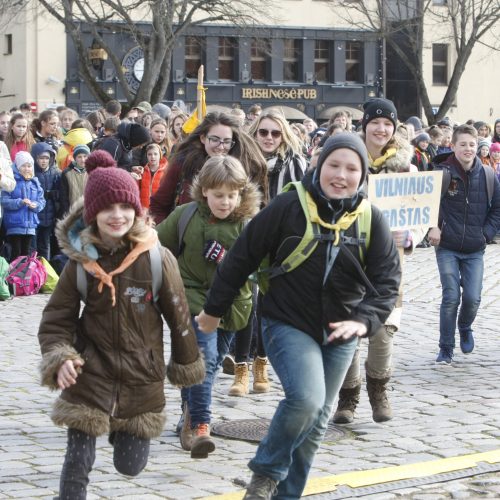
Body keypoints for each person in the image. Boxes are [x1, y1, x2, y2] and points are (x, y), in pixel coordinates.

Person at [196, 134, 401, 499]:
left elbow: (387, 282)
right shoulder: (289, 206)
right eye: (333, 165)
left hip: (342, 332)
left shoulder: (370, 218)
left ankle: (285, 495)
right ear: (319, 166)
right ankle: (266, 472)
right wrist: (213, 312)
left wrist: (364, 321)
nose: (341, 175)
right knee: (306, 400)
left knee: (319, 418)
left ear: (363, 174)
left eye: (351, 168)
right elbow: (241, 257)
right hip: (286, 322)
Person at [38, 162, 204, 500]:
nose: (117, 215)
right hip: (91, 372)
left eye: (125, 206)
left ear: (136, 209)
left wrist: (186, 365)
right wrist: (61, 358)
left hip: (141, 378)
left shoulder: (158, 259)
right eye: (107, 208)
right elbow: (57, 318)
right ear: (93, 213)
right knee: (77, 461)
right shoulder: (80, 263)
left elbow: (179, 317)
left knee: (130, 466)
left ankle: (119, 428)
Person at [156, 155, 261, 458]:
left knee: (208, 365)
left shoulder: (248, 225)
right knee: (204, 359)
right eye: (218, 195)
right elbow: (157, 248)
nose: (225, 202)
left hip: (232, 306)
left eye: (232, 195)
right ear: (204, 191)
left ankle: (188, 414)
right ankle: (201, 425)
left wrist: (230, 262)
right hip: (192, 301)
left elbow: (260, 269)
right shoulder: (185, 215)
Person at [333, 97, 424, 424]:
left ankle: (378, 390)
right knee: (349, 330)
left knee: (383, 332)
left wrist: (411, 235)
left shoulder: (406, 168)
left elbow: (419, 213)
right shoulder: (346, 162)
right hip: (348, 259)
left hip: (388, 263)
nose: (381, 129)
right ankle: (348, 397)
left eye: (388, 123)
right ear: (365, 125)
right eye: (376, 122)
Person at [428, 124, 500, 364]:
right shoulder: (442, 172)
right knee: (451, 297)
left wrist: (486, 235)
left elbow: (497, 209)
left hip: (474, 248)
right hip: (447, 246)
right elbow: (428, 204)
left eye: (472, 144)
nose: (468, 149)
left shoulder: (489, 175)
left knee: (473, 297)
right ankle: (445, 348)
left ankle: (465, 326)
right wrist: (433, 226)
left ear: (478, 145)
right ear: (453, 146)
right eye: (463, 144)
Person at [149, 112, 267, 224]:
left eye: (226, 141)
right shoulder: (184, 164)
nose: (221, 147)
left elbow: (259, 209)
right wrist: (169, 236)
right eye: (215, 139)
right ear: (203, 138)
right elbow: (158, 205)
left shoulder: (246, 166)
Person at [249, 110, 307, 200]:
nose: (269, 137)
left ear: (283, 137)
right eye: (263, 132)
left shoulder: (295, 162)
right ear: (255, 134)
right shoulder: (244, 161)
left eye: (275, 133)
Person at [1, 152, 46, 261]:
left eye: (29, 166)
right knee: (15, 254)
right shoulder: (11, 181)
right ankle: (13, 277)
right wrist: (20, 202)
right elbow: (3, 200)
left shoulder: (35, 182)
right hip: (14, 225)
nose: (27, 169)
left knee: (26, 255)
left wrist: (36, 205)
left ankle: (22, 277)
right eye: (23, 166)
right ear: (17, 167)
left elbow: (42, 201)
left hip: (30, 226)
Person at [32, 142, 61, 260]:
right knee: (32, 246)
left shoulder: (55, 173)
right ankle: (31, 272)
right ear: (35, 158)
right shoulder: (31, 172)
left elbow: (60, 193)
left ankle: (45, 272)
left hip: (49, 214)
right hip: (34, 215)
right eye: (41, 158)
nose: (44, 161)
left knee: (45, 245)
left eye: (47, 158)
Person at [59, 144, 90, 218]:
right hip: (72, 213)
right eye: (79, 157)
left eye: (85, 156)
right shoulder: (67, 173)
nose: (83, 160)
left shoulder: (92, 171)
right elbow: (63, 196)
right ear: (75, 158)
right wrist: (67, 212)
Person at [136, 143, 168, 210]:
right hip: (144, 209)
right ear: (146, 156)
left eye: (155, 154)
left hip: (159, 210)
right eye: (149, 154)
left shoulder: (166, 172)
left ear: (160, 155)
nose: (152, 157)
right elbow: (137, 191)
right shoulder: (142, 171)